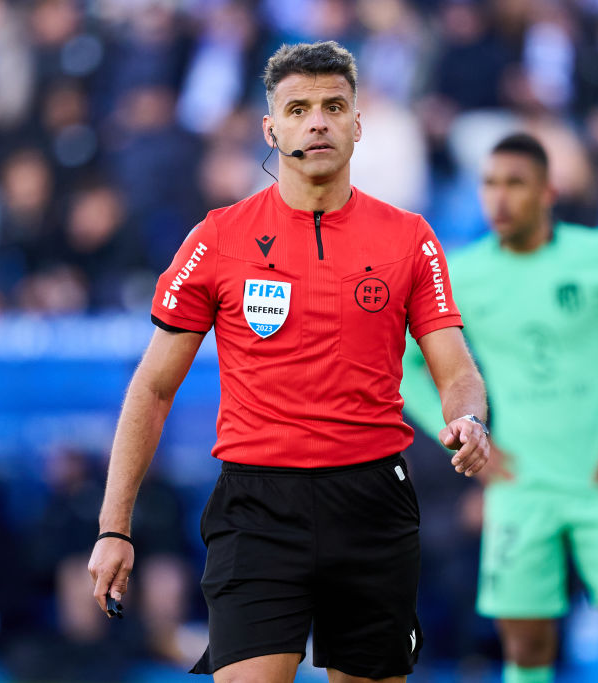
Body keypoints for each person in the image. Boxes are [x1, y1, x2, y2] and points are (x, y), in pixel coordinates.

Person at [88, 41, 492, 683]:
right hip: (257, 505)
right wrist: (115, 528)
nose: (318, 121)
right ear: (270, 128)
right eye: (298, 108)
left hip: (371, 501)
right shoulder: (218, 238)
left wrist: (469, 419)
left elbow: (456, 369)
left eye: (335, 106)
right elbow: (154, 387)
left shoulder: (410, 238)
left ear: (358, 124)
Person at [400, 133, 598, 683]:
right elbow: (406, 364)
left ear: (548, 191)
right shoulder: (463, 274)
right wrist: (459, 431)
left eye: (515, 183)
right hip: (520, 484)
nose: (499, 198)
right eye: (489, 184)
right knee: (527, 650)